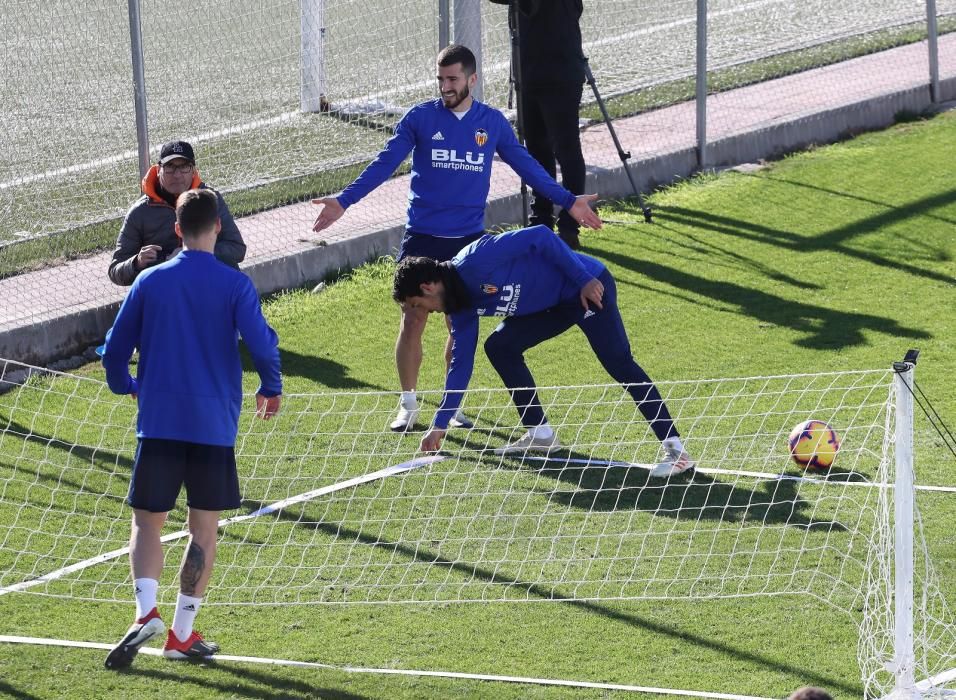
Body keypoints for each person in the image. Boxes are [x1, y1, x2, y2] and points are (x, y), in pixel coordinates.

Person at [311, 44, 602, 433]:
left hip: (467, 240)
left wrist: (568, 201)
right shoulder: (420, 118)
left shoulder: (492, 123)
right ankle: (409, 403)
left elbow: (528, 166)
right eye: (440, 79)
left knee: (458, 324)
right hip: (422, 238)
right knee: (413, 317)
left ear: (471, 79)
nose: (445, 86)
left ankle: (453, 405)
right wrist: (344, 201)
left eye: (452, 79)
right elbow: (385, 162)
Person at [101, 188, 282, 669]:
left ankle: (145, 614)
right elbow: (262, 344)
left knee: (146, 521)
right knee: (203, 528)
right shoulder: (234, 284)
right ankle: (181, 632)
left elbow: (115, 349)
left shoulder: (150, 281)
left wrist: (127, 385)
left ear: (176, 229)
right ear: (218, 226)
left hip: (159, 422)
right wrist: (271, 385)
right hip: (212, 427)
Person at [391, 224, 694, 477]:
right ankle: (541, 434)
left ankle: (676, 451)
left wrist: (584, 280)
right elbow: (461, 363)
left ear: (428, 287)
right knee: (500, 347)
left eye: (418, 305)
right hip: (553, 306)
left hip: (587, 288)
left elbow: (540, 235)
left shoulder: (475, 260)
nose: (424, 313)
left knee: (620, 364)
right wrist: (439, 425)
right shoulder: (459, 307)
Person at [489, 0, 588, 250]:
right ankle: (541, 220)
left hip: (561, 71)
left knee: (566, 150)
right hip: (529, 73)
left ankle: (569, 226)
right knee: (536, 151)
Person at [108, 140, 246, 286]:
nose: (177, 174)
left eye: (184, 167)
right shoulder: (139, 212)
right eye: (170, 167)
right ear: (158, 169)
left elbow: (237, 249)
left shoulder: (211, 200)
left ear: (193, 170)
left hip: (210, 283)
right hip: (165, 291)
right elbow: (115, 271)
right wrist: (136, 262)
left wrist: (192, 254)